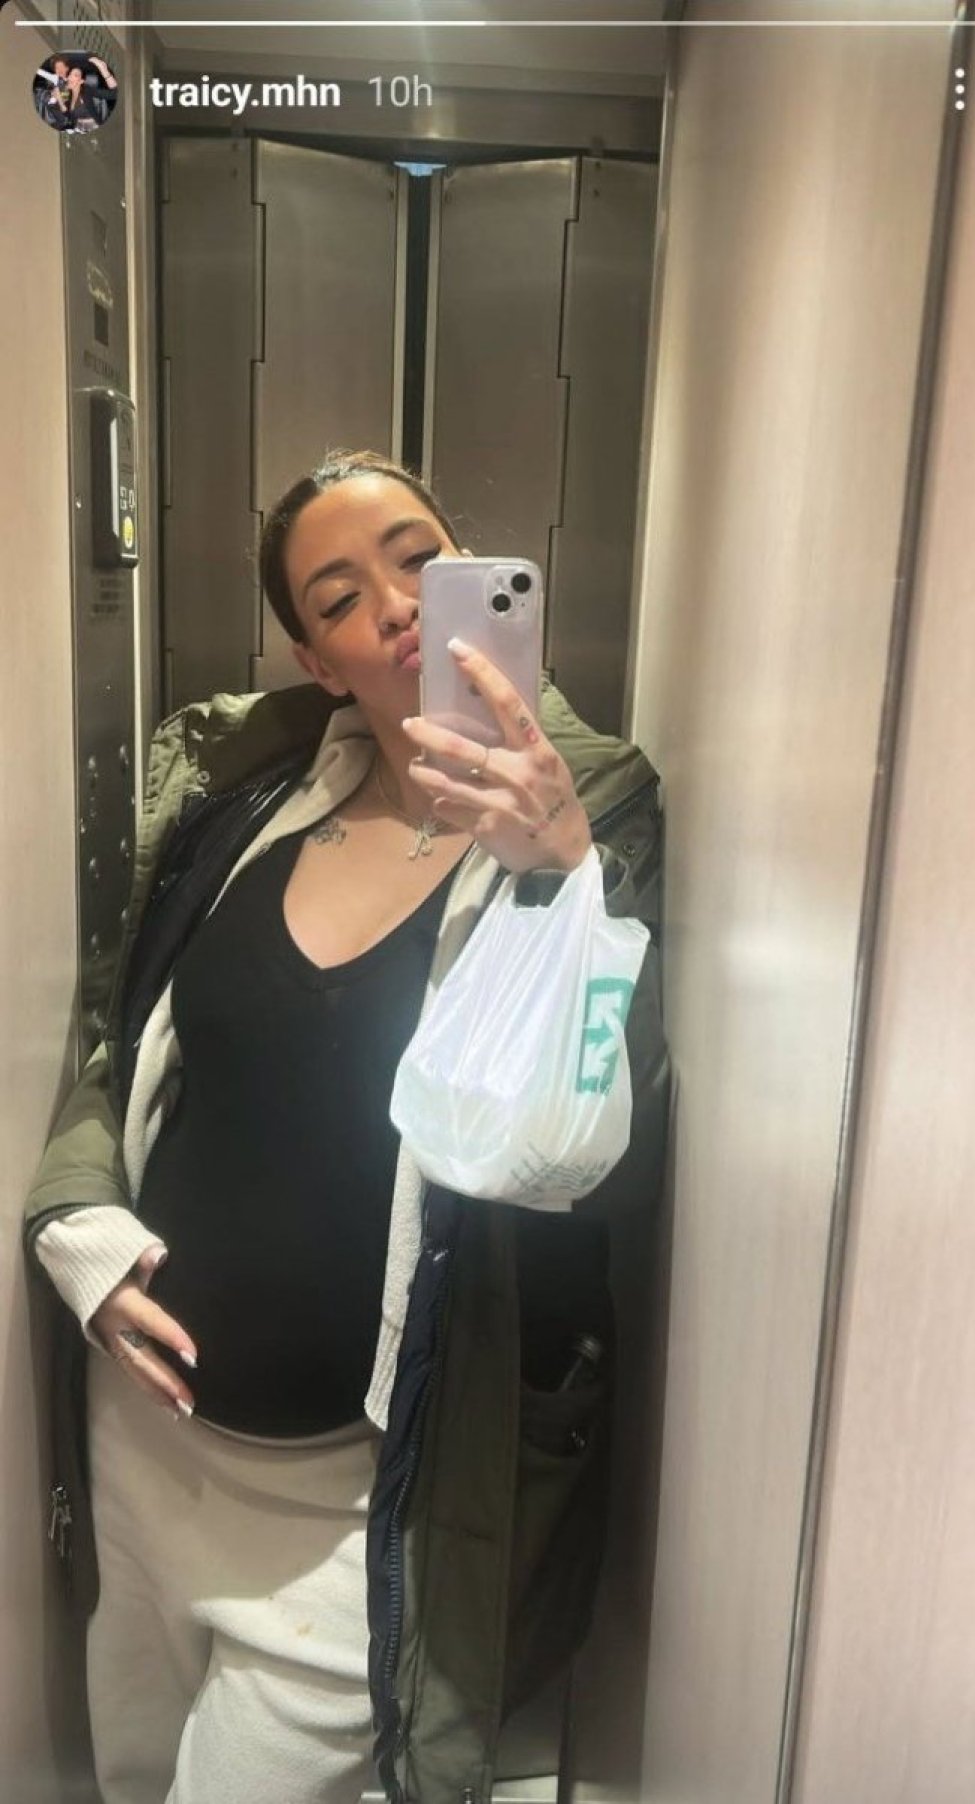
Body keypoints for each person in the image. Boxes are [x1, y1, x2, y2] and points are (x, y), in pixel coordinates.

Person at [24, 448, 669, 1804]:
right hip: (145, 1454)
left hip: (362, 1501)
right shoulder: (242, 809)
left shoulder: (594, 813)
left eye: (420, 559)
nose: (393, 602)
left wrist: (559, 877)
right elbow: (122, 1044)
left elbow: (588, 1149)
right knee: (129, 1776)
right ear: (318, 660)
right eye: (337, 596)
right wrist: (79, 1229)